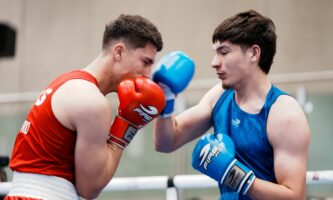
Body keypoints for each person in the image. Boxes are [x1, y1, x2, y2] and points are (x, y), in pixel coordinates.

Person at [153, 10, 310, 199]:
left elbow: (294, 196)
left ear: (253, 53)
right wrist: (165, 99)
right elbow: (167, 142)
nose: (214, 63)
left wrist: (234, 174)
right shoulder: (218, 96)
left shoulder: (284, 113)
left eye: (224, 52)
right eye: (215, 53)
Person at [6, 14, 165, 200]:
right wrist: (126, 127)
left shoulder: (68, 82)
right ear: (119, 52)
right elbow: (90, 188)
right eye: (146, 62)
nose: (148, 74)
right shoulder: (92, 101)